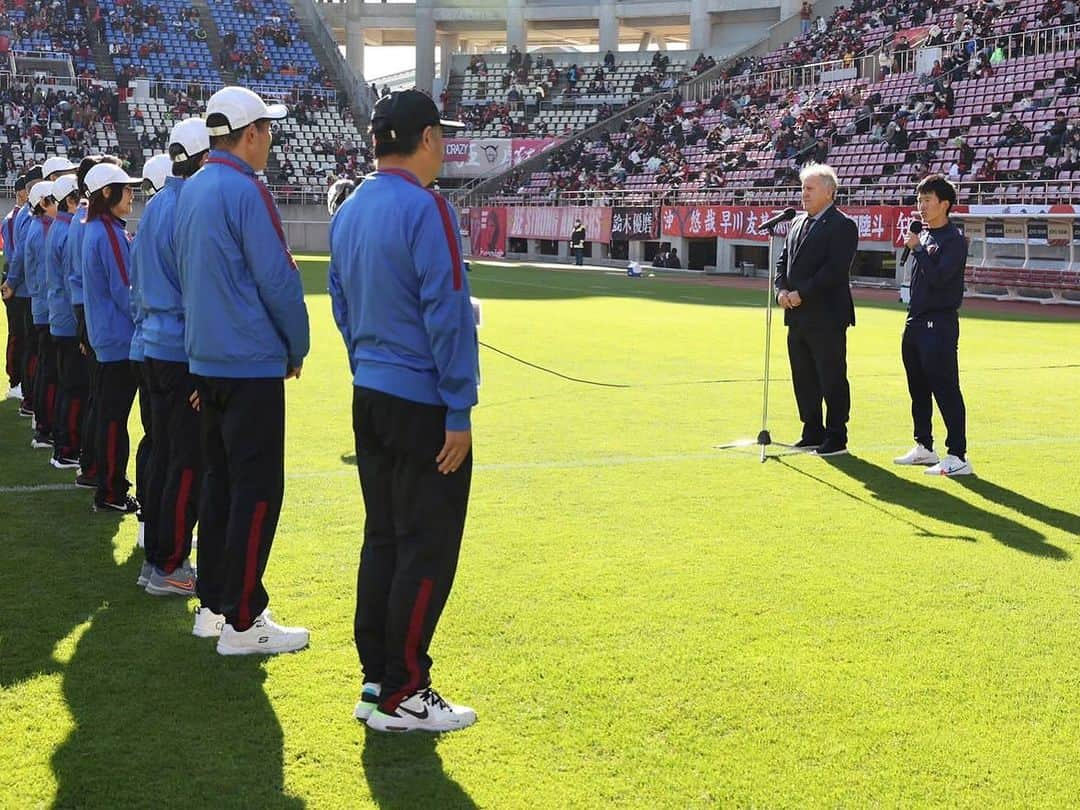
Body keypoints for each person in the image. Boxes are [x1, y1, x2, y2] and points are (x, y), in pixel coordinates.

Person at [327, 89, 479, 733]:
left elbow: (339, 301)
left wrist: (370, 361)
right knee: (427, 542)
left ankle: (379, 679)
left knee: (383, 537)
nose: (443, 145)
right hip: (421, 400)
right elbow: (445, 310)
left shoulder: (351, 207)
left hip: (372, 391)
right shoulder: (427, 207)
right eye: (440, 135)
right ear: (424, 139)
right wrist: (459, 407)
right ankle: (405, 690)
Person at [174, 86, 311, 656]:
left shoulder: (192, 189)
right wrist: (296, 345)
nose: (272, 139)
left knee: (220, 484)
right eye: (268, 129)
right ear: (250, 133)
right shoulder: (246, 191)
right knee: (256, 491)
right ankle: (244, 618)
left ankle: (214, 605)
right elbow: (277, 279)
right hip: (249, 364)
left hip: (205, 359)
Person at [134, 121, 210, 608]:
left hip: (152, 346)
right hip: (181, 350)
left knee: (165, 457)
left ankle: (159, 558)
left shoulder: (158, 203)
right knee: (187, 463)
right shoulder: (191, 206)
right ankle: (170, 564)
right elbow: (199, 290)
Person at [774, 163, 858, 456]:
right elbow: (782, 261)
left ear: (829, 192)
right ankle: (812, 430)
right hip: (796, 314)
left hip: (826, 315)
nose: (804, 194)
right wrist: (781, 290)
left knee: (831, 375)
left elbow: (834, 271)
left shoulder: (843, 225)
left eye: (809, 189)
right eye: (802, 188)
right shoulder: (797, 223)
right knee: (803, 375)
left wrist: (802, 293)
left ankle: (837, 435)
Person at [894, 175, 971, 476]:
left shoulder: (953, 241)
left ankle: (958, 454)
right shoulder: (923, 237)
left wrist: (917, 251)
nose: (921, 206)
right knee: (918, 387)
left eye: (927, 200)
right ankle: (924, 446)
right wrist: (918, 247)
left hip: (938, 322)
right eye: (919, 200)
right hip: (914, 320)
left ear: (944, 204)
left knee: (945, 386)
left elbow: (940, 279)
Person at [81, 162, 144, 513]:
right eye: (126, 188)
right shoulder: (109, 233)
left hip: (106, 338)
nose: (132, 195)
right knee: (114, 422)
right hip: (119, 341)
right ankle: (111, 491)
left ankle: (109, 488)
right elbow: (126, 292)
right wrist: (148, 320)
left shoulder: (96, 229)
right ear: (107, 193)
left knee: (109, 418)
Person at [45, 174, 86, 470]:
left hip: (58, 316)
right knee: (73, 388)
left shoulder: (57, 227)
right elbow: (74, 282)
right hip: (67, 320)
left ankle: (65, 445)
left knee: (67, 386)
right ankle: (67, 447)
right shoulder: (66, 229)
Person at [24, 180, 59, 450]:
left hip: (44, 308)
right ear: (43, 204)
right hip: (47, 310)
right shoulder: (42, 231)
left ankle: (43, 424)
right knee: (49, 371)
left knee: (47, 369)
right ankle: (46, 428)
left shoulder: (41, 227)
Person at [3, 175, 29, 402]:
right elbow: (15, 256)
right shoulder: (13, 219)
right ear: (21, 192)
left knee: (24, 337)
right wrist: (12, 281)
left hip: (21, 285)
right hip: (17, 287)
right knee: (17, 335)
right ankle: (14, 381)